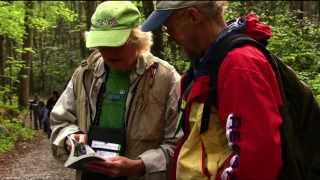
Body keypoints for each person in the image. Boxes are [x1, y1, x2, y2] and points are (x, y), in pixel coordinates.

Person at [143, 1, 283, 180]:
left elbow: (258, 160)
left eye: (169, 26)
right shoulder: (206, 63)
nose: (169, 35)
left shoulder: (240, 66)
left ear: (193, 16)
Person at [50, 1, 181, 180]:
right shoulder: (85, 75)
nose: (109, 52)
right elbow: (60, 122)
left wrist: (140, 165)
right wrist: (70, 138)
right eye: (103, 45)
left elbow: (180, 145)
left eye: (117, 44)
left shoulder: (166, 79)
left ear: (137, 39)